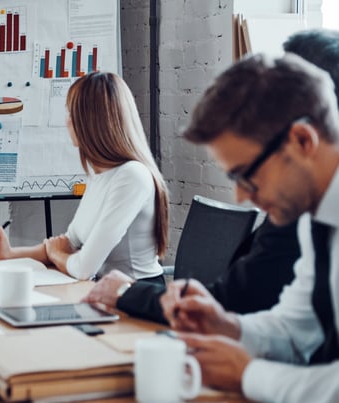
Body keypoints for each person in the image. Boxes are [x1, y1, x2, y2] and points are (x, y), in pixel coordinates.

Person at [83, 29, 339, 322]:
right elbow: (290, 331)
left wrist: (128, 292)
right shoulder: (309, 212)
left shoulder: (299, 211)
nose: (242, 196)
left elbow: (240, 304)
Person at [160, 53, 339, 402]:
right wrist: (228, 326)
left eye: (246, 174)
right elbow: (297, 329)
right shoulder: (312, 216)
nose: (241, 195)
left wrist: (248, 374)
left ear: (303, 141)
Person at [0, 72, 169, 282]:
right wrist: (9, 253)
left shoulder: (132, 176)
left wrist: (57, 254)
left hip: (136, 299)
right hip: (103, 292)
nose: (67, 122)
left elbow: (83, 269)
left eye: (71, 113)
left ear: (91, 122)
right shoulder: (100, 174)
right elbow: (69, 243)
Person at [83, 218, 300, 323]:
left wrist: (126, 291)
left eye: (247, 175)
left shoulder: (296, 222)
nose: (242, 195)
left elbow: (230, 302)